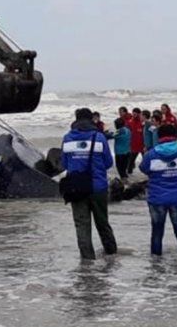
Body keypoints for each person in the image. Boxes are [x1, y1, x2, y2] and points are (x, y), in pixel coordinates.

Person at [61, 108, 117, 260]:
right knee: (102, 223)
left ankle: (87, 261)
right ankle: (111, 254)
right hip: (98, 187)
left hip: (77, 189)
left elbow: (64, 164)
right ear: (91, 119)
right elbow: (108, 162)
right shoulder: (99, 137)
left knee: (82, 225)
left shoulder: (67, 138)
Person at [139, 124, 177, 257]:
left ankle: (156, 263)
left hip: (157, 198)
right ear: (175, 136)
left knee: (157, 232)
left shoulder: (151, 154)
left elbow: (143, 169)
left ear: (159, 137)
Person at [126, 108, 145, 174]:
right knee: (131, 161)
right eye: (133, 114)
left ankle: (148, 174)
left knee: (146, 160)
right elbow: (127, 133)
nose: (134, 115)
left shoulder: (143, 122)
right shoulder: (129, 122)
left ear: (139, 114)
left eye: (135, 114)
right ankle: (129, 175)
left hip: (143, 145)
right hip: (133, 145)